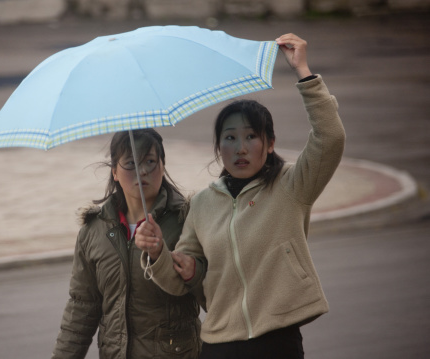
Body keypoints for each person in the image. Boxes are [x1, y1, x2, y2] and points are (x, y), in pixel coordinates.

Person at [135, 33, 346, 359]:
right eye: (230, 138)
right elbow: (183, 281)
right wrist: (163, 254)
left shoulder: (292, 185)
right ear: (219, 147)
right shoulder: (203, 203)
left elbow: (330, 138)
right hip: (218, 344)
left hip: (277, 341)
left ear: (270, 143)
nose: (241, 147)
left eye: (251, 136)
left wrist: (303, 72)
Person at [52, 129, 202, 359]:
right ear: (114, 172)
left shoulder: (188, 220)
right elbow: (81, 307)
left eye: (150, 162)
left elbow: (211, 292)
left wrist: (167, 257)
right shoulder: (94, 231)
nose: (142, 171)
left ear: (163, 165)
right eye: (131, 163)